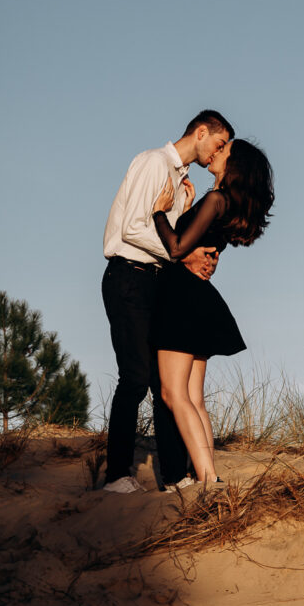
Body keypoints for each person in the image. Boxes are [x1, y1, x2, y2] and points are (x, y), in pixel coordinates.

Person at [101, 109, 234, 494]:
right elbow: (133, 228)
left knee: (164, 386)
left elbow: (171, 235)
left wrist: (183, 214)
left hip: (155, 283)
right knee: (135, 378)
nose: (218, 153)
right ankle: (116, 476)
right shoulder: (153, 162)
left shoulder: (181, 181)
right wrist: (185, 254)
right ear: (201, 132)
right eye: (219, 144)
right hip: (129, 276)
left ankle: (175, 477)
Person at [151, 138, 274, 484]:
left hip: (180, 296)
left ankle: (206, 477)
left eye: (225, 151)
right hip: (200, 299)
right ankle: (210, 476)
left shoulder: (217, 200)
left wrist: (159, 212)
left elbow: (176, 249)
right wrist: (188, 207)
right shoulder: (226, 204)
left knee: (173, 393)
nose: (217, 153)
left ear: (235, 166)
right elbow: (196, 241)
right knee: (194, 398)